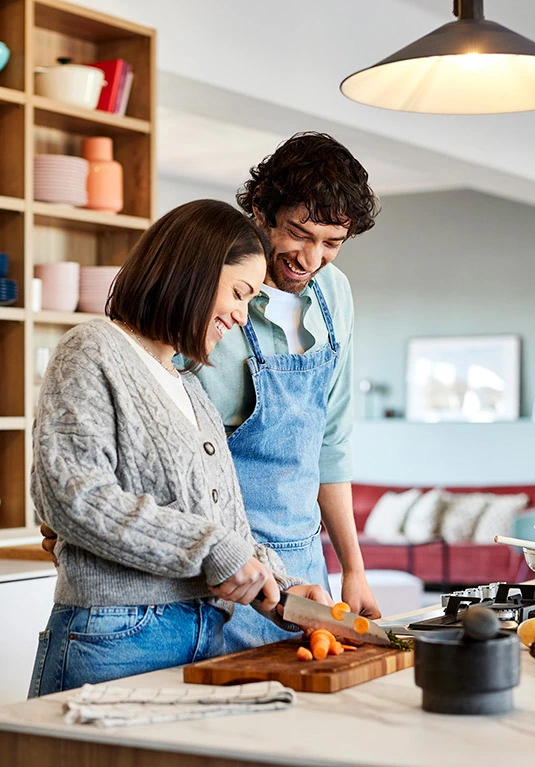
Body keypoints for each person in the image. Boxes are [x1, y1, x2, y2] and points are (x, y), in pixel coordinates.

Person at [29, 199, 330, 697]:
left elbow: (223, 525)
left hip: (206, 632)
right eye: (238, 293)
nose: (240, 315)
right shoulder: (92, 349)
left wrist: (282, 589)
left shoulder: (190, 387)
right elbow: (72, 496)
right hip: (117, 635)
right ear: (194, 271)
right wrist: (213, 550)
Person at [192, 132, 381, 650]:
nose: (311, 258)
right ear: (260, 210)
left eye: (332, 244)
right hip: (222, 571)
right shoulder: (210, 291)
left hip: (305, 568)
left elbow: (331, 443)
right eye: (299, 233)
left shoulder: (333, 292)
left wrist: (354, 569)